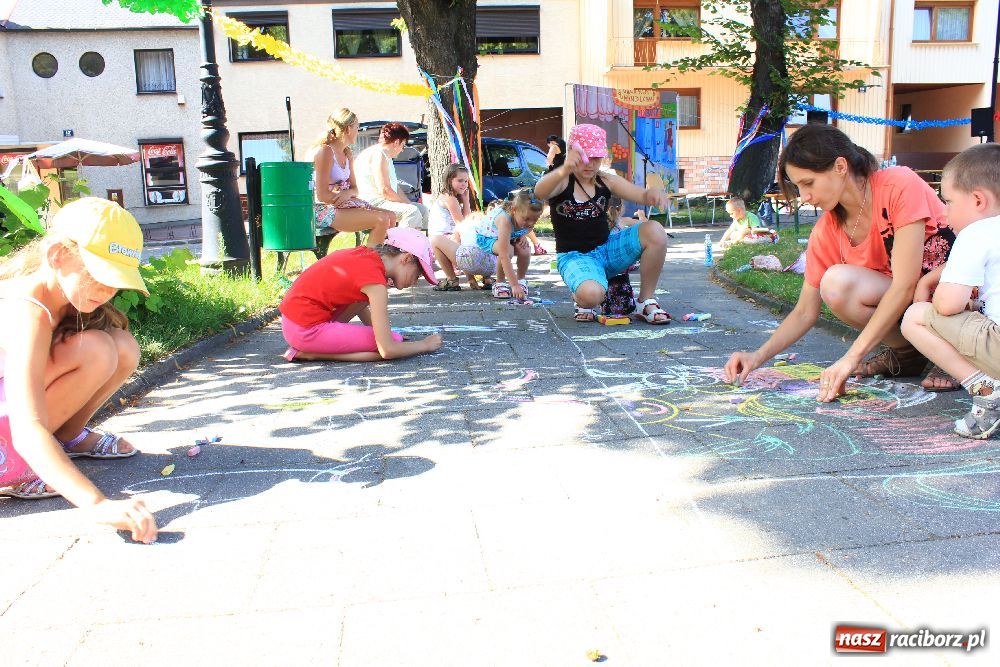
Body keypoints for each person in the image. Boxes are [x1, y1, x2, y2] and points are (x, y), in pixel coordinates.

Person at [723, 123, 957, 401]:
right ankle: (910, 355)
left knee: (926, 292)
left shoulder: (898, 185)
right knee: (835, 285)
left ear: (840, 167)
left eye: (808, 183)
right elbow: (804, 313)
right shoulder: (826, 231)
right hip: (916, 306)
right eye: (798, 187)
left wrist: (851, 357)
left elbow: (905, 285)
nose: (805, 197)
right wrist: (757, 356)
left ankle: (953, 350)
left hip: (960, 295)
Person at [0, 198, 157, 543]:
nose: (106, 291)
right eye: (98, 275)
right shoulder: (27, 311)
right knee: (97, 348)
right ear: (58, 255)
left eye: (115, 280)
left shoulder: (58, 298)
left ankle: (66, 439)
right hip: (13, 438)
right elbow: (28, 426)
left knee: (121, 345)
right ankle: (21, 469)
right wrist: (97, 504)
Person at [901, 143, 1000, 438]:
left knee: (916, 316)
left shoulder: (976, 233)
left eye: (949, 202)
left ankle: (987, 392)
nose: (944, 214)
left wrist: (933, 292)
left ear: (978, 200)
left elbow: (946, 305)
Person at [533, 123, 672, 324]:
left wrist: (652, 195)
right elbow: (540, 192)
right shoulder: (563, 180)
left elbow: (640, 194)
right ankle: (581, 294)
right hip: (575, 257)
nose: (590, 164)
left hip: (607, 250)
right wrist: (565, 169)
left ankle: (645, 301)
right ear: (572, 154)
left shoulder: (605, 180)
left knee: (655, 231)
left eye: (596, 158)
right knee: (591, 296)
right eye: (584, 157)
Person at [280, 227, 443, 362]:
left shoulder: (366, 256)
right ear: (406, 258)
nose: (416, 281)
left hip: (294, 322)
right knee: (394, 342)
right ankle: (311, 353)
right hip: (305, 330)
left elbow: (357, 302)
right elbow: (387, 351)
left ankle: (313, 347)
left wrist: (378, 335)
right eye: (418, 273)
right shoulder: (376, 284)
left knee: (390, 339)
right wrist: (424, 345)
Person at [310, 108, 395, 252]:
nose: (358, 131)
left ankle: (382, 258)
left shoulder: (347, 153)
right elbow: (322, 195)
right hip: (324, 209)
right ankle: (370, 264)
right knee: (381, 220)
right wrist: (343, 196)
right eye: (357, 127)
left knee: (391, 216)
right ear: (348, 129)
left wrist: (346, 194)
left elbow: (355, 189)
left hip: (343, 203)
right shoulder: (325, 151)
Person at [354, 122, 429, 230]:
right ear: (396, 142)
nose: (402, 149)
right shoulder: (379, 154)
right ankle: (400, 245)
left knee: (422, 209)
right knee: (411, 212)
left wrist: (408, 203)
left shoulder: (386, 156)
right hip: (371, 203)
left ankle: (422, 244)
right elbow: (385, 190)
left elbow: (395, 188)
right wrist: (408, 206)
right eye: (403, 145)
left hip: (382, 201)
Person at [475, 189, 545, 300]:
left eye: (535, 220)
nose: (530, 223)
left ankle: (521, 279)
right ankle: (500, 283)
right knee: (508, 251)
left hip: (510, 235)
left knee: (525, 249)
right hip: (488, 238)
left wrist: (522, 235)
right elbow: (503, 255)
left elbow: (527, 228)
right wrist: (514, 285)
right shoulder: (504, 220)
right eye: (526, 219)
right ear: (514, 210)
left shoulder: (526, 218)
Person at [428, 164, 473, 291]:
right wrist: (466, 202)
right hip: (443, 239)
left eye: (465, 181)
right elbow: (462, 224)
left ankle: (455, 278)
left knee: (463, 236)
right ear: (449, 180)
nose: (464, 184)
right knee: (463, 238)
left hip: (446, 238)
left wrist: (465, 201)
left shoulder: (452, 197)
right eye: (460, 180)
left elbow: (466, 222)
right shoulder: (450, 198)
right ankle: (454, 277)